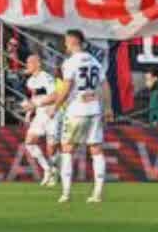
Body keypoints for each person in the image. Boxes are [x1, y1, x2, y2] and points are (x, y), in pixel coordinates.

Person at [45, 30, 109, 204]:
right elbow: (105, 85)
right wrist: (108, 108)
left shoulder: (71, 63)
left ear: (72, 42)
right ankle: (97, 193)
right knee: (96, 150)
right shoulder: (95, 61)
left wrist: (55, 107)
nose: (65, 46)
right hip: (94, 108)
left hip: (76, 110)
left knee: (67, 149)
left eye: (66, 42)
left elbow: (66, 87)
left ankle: (66, 193)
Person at [20, 54, 59, 185]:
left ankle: (54, 172)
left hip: (51, 114)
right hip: (40, 115)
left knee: (51, 148)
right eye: (27, 62)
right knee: (29, 143)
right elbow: (33, 99)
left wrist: (36, 104)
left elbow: (54, 96)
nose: (27, 65)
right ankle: (47, 170)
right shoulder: (30, 81)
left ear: (38, 64)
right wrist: (28, 113)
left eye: (30, 62)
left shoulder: (47, 77)